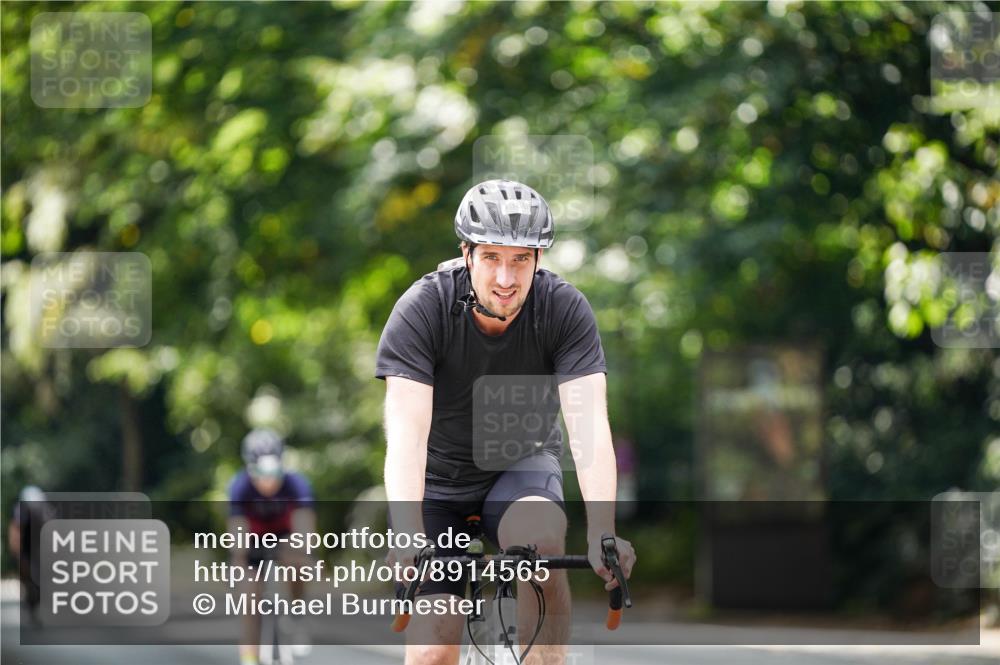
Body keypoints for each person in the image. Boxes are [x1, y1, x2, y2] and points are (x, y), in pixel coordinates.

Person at [376, 179, 636, 665]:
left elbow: (589, 429)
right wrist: (408, 531)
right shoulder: (423, 308)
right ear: (467, 253)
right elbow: (406, 437)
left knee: (540, 540)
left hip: (520, 468)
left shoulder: (563, 308)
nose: (505, 277)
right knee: (433, 648)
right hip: (438, 484)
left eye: (521, 259)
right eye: (492, 257)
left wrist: (603, 531)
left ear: (539, 260)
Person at [228, 428, 316, 665]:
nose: (268, 480)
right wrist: (240, 559)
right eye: (261, 472)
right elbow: (237, 529)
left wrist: (303, 551)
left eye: (273, 471)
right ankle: (249, 657)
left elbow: (305, 526)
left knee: (298, 563)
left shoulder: (296, 484)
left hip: (284, 535)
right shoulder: (240, 486)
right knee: (248, 596)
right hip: (253, 539)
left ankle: (296, 613)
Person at [7, 485, 51, 627]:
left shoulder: (43, 511)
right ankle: (32, 606)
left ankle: (34, 605)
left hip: (37, 551)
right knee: (29, 581)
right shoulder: (24, 512)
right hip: (28, 552)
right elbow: (16, 531)